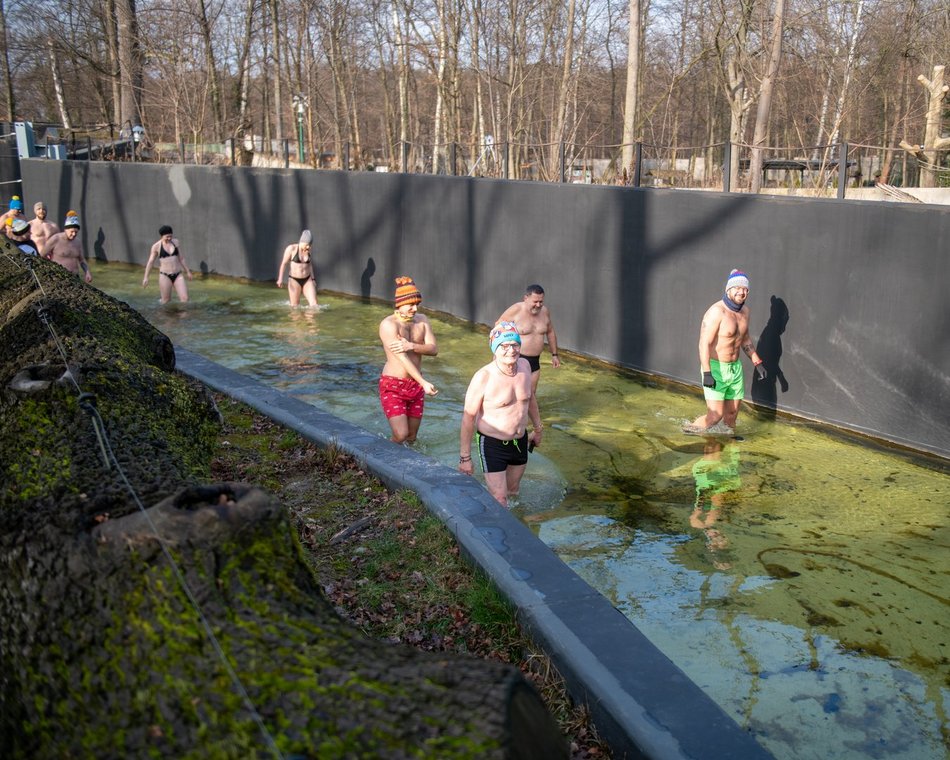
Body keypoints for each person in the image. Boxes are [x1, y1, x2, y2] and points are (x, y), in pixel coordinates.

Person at [458, 321, 542, 508]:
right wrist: (465, 458)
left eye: (514, 345)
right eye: (504, 346)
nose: (511, 350)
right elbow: (468, 417)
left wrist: (538, 428)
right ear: (494, 349)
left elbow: (530, 399)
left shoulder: (525, 366)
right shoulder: (484, 376)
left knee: (512, 493)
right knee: (500, 500)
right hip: (492, 444)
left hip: (520, 441)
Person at [684, 269, 766, 434]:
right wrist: (707, 372)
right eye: (737, 288)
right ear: (728, 289)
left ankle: (729, 445)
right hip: (716, 368)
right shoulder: (716, 312)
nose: (741, 292)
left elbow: (745, 339)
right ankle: (688, 430)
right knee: (715, 416)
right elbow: (704, 343)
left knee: (731, 415)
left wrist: (757, 362)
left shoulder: (745, 312)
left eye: (744, 289)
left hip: (735, 370)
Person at [378, 276, 439, 443]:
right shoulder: (389, 325)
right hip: (393, 385)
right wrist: (424, 382)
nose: (415, 308)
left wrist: (411, 345)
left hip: (415, 386)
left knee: (412, 437)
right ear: (399, 304)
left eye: (417, 304)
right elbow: (402, 358)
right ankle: (384, 460)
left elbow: (434, 349)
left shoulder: (422, 321)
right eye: (410, 304)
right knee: (401, 434)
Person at [496, 284, 560, 398]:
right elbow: (498, 328)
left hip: (534, 361)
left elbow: (550, 332)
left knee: (531, 394)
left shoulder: (544, 312)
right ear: (525, 298)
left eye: (541, 301)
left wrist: (554, 354)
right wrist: (500, 355)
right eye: (535, 301)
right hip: (515, 358)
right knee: (509, 393)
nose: (538, 305)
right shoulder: (516, 310)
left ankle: (530, 416)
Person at [143, 225, 193, 303]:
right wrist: (146, 277)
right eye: (167, 237)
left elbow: (181, 258)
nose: (169, 238)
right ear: (161, 236)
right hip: (165, 275)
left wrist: (188, 271)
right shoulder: (156, 246)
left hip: (178, 274)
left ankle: (183, 315)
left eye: (171, 236)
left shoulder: (175, 242)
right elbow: (150, 262)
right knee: (166, 301)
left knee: (185, 299)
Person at [41, 211, 92, 283]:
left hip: (75, 277)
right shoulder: (55, 239)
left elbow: (81, 260)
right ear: (65, 229)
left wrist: (87, 272)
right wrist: (48, 270)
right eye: (72, 231)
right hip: (59, 277)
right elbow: (42, 255)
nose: (74, 234)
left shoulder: (78, 242)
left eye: (76, 232)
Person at [276, 229, 319, 308]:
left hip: (307, 280)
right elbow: (284, 264)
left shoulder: (308, 250)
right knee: (295, 307)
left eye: (310, 245)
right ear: (301, 241)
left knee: (314, 305)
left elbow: (310, 265)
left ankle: (310, 320)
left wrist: (313, 279)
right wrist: (280, 279)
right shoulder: (291, 249)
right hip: (294, 280)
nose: (308, 247)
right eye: (306, 244)